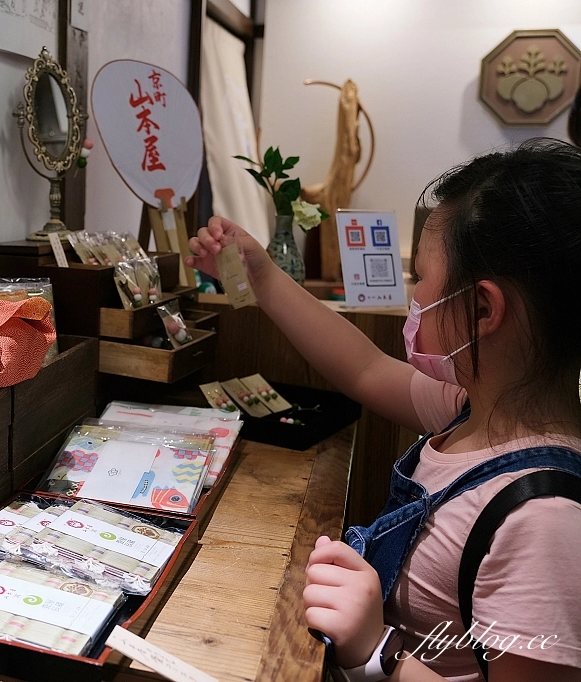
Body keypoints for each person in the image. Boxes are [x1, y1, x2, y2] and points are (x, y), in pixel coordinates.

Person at [185, 139, 581, 682]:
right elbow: (365, 368)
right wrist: (264, 277)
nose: (415, 296)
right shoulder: (471, 408)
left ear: (482, 309)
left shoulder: (545, 521)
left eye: (421, 277)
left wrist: (379, 650)